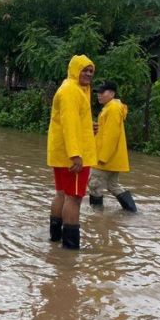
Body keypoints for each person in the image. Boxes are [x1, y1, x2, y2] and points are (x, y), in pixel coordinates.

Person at [47, 55, 97, 250]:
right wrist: (75, 154)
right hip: (73, 155)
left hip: (62, 153)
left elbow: (73, 120)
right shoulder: (70, 91)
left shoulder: (74, 89)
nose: (88, 74)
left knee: (61, 194)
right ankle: (70, 249)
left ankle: (55, 239)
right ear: (74, 69)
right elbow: (68, 124)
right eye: (84, 69)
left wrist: (88, 126)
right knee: (74, 198)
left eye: (91, 71)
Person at [89, 81, 137, 212]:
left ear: (112, 93)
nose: (99, 95)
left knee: (94, 185)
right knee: (112, 185)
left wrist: (102, 157)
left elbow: (112, 135)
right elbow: (106, 132)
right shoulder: (110, 107)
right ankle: (132, 212)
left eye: (102, 92)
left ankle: (95, 216)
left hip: (106, 157)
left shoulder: (113, 109)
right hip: (112, 156)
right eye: (98, 92)